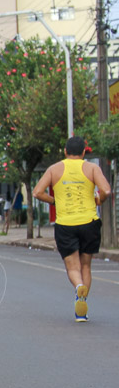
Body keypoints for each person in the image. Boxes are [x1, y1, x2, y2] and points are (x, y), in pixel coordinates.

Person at [33, 135, 112, 322]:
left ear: (65, 152)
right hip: (89, 222)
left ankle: (78, 288)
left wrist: (54, 201)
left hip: (65, 224)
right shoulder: (92, 168)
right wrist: (100, 199)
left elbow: (37, 192)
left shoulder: (54, 169)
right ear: (84, 152)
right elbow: (106, 190)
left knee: (73, 267)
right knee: (86, 265)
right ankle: (82, 305)